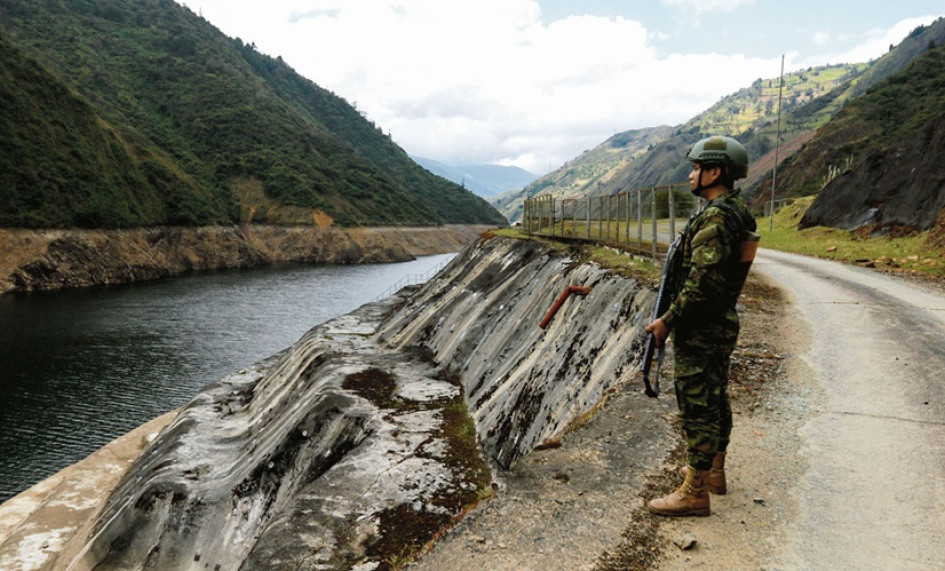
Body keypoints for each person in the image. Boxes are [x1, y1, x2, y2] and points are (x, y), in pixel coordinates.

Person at [644, 135, 759, 517]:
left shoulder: (716, 217)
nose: (692, 174)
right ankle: (714, 473)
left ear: (715, 171)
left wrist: (667, 321)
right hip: (719, 323)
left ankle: (695, 491)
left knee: (697, 404)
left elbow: (700, 283)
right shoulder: (735, 210)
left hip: (701, 327)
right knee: (715, 395)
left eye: (697, 167)